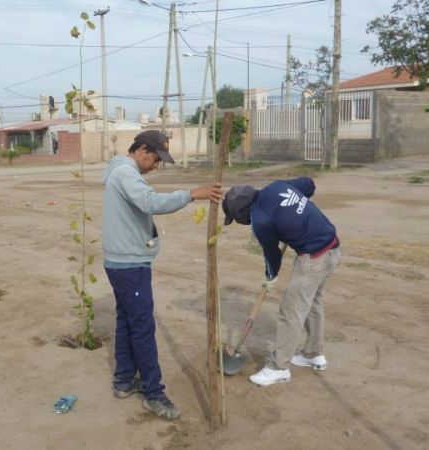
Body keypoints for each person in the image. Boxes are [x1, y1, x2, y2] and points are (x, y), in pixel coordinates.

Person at [101, 130, 222, 420]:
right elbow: (151, 203)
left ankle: (123, 380)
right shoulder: (126, 174)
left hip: (121, 261)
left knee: (127, 322)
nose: (156, 166)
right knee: (142, 328)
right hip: (129, 265)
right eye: (155, 159)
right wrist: (192, 194)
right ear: (141, 149)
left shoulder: (119, 171)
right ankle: (153, 393)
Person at [222, 177, 340, 387]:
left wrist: (270, 277)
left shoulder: (260, 220)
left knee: (291, 312)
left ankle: (279, 368)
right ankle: (313, 354)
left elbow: (272, 255)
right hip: (332, 249)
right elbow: (308, 184)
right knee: (312, 303)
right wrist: (297, 209)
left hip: (313, 259)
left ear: (241, 214)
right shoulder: (276, 187)